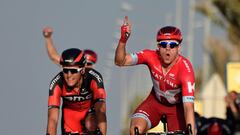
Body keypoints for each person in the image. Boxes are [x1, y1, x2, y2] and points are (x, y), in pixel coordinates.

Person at [114, 16, 195, 135]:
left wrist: (191, 131)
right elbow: (120, 61)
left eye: (172, 45)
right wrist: (122, 40)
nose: (168, 49)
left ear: (179, 48)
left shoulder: (185, 69)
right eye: (163, 44)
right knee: (135, 130)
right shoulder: (150, 56)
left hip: (176, 109)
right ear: (158, 47)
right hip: (154, 103)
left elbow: (188, 107)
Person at [46, 48, 107, 135]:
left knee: (91, 123)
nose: (69, 75)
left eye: (73, 71)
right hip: (70, 118)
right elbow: (52, 119)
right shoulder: (57, 83)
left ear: (82, 70)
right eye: (65, 71)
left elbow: (101, 111)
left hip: (89, 114)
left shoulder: (94, 78)